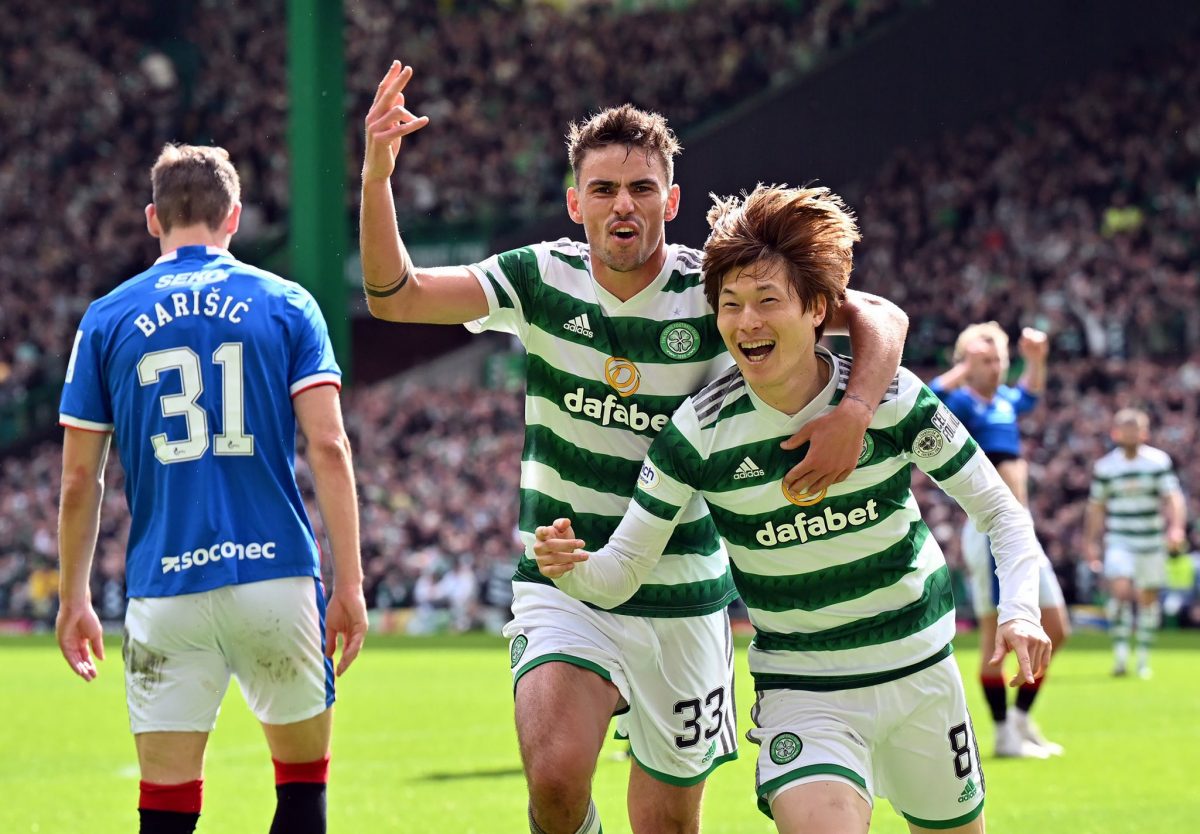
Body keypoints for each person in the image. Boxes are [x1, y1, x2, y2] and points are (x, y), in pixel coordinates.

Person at [360, 61, 909, 834]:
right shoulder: (539, 278)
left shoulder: (716, 289)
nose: (623, 203)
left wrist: (854, 411)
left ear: (671, 201)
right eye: (605, 188)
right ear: (575, 202)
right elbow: (396, 296)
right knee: (555, 781)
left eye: (642, 188)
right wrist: (377, 176)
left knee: (668, 826)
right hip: (565, 577)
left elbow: (881, 314)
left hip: (683, 594)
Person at [533, 184, 1052, 834]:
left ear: (816, 310)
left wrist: (1021, 609)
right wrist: (573, 568)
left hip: (922, 676)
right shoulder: (697, 433)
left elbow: (1002, 513)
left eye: (767, 301)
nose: (746, 321)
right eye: (730, 304)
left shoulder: (889, 398)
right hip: (805, 695)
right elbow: (622, 571)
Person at [56, 144, 368, 834]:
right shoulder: (287, 303)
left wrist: (74, 596)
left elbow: (80, 478)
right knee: (301, 792)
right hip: (275, 576)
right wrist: (349, 582)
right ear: (235, 216)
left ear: (153, 219)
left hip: (164, 585)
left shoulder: (105, 317)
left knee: (166, 809)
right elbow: (329, 446)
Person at [929, 323, 1069, 758]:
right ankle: (1004, 732)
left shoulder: (1004, 400)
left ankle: (1022, 719)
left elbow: (1031, 393)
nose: (994, 368)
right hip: (989, 531)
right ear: (966, 363)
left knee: (1056, 629)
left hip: (1021, 528)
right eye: (985, 361)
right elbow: (930, 395)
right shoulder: (959, 402)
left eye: (998, 361)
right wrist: (963, 367)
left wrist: (1037, 358)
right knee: (997, 636)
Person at [1083, 408, 1187, 678]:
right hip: (1120, 539)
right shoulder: (1106, 466)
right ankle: (1120, 655)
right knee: (1120, 591)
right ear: (1115, 433)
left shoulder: (1157, 461)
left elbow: (1173, 497)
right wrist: (1090, 541)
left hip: (1151, 540)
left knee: (1148, 600)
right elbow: (1096, 506)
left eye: (1135, 429)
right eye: (1125, 429)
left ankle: (1142, 658)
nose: (1130, 434)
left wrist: (1176, 528)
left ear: (1144, 433)